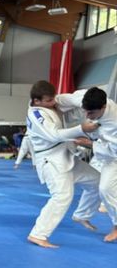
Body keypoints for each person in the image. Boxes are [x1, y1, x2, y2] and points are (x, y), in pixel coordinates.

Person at [26, 79, 99, 248]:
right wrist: (81, 129)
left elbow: (73, 98)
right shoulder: (36, 114)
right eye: (49, 100)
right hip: (51, 161)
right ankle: (38, 234)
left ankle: (82, 214)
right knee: (62, 196)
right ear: (37, 101)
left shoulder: (53, 104)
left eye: (53, 98)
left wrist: (88, 102)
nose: (53, 102)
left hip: (66, 155)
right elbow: (54, 135)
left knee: (98, 181)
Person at [58, 87, 117, 243]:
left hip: (113, 155)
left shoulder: (114, 123)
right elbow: (64, 98)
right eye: (85, 111)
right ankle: (82, 215)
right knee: (94, 181)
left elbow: (113, 151)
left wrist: (90, 144)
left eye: (91, 113)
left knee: (106, 188)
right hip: (101, 145)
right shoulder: (87, 98)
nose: (87, 115)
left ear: (103, 107)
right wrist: (47, 104)